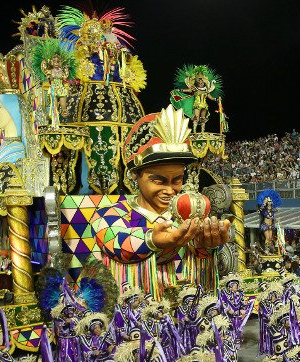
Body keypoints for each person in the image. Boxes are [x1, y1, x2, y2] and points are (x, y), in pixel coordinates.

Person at [91, 105, 230, 300]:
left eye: (177, 180)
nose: (170, 190)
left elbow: (201, 259)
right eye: (159, 181)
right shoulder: (107, 215)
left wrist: (208, 244)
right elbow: (118, 243)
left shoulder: (187, 215)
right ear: (134, 175)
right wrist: (154, 240)